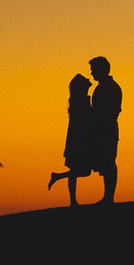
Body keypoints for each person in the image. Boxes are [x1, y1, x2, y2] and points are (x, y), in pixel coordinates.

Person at [48, 73, 93, 206]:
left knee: (78, 171)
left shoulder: (79, 100)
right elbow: (85, 120)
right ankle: (72, 199)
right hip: (79, 141)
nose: (88, 80)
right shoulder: (80, 101)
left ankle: (60, 180)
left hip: (77, 140)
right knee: (81, 171)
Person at [88, 55, 121, 205]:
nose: (92, 73)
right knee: (107, 163)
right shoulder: (105, 86)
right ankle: (108, 197)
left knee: (109, 163)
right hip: (104, 129)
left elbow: (109, 110)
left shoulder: (109, 87)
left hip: (106, 129)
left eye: (93, 70)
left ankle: (108, 198)